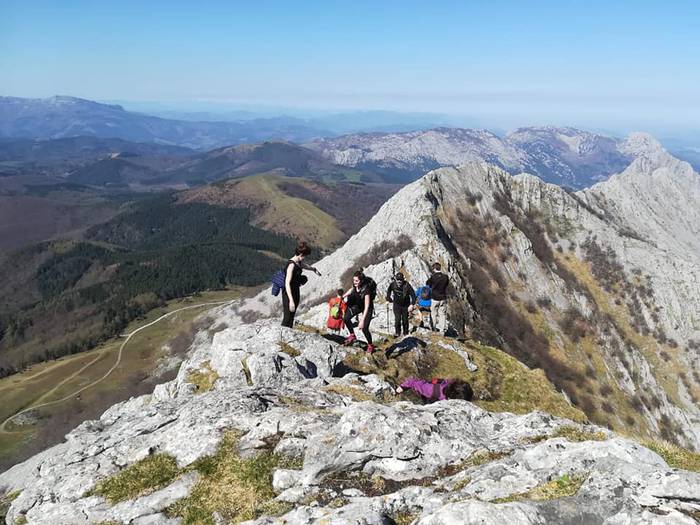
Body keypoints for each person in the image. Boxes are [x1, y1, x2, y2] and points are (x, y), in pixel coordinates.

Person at [281, 241, 321, 328]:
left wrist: (314, 269)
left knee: (292, 316)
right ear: (301, 255)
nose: (305, 258)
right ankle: (282, 333)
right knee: (287, 317)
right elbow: (287, 283)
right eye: (305, 256)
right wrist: (291, 300)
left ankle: (288, 332)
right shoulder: (291, 265)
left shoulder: (298, 262)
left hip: (296, 290)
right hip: (288, 293)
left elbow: (305, 266)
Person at [343, 271, 377, 353]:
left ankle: (370, 345)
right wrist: (343, 296)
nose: (354, 282)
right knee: (346, 318)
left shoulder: (366, 290)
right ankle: (352, 335)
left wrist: (362, 320)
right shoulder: (355, 286)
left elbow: (367, 306)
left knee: (364, 328)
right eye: (354, 280)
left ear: (361, 281)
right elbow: (352, 290)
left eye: (356, 281)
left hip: (367, 308)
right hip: (358, 305)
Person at [395, 377, 473, 402]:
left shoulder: (447, 385)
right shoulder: (432, 390)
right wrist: (402, 387)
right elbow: (413, 382)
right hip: (427, 397)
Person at [386, 272, 416, 337]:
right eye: (398, 280)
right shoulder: (393, 284)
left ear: (403, 279)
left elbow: (413, 295)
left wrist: (412, 304)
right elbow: (389, 291)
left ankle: (405, 333)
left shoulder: (407, 285)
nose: (399, 281)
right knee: (397, 319)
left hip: (405, 305)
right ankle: (397, 333)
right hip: (396, 305)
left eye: (400, 280)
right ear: (396, 279)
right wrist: (388, 299)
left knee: (405, 320)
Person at [427, 262, 449, 334]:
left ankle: (434, 329)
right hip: (443, 298)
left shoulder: (433, 277)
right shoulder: (445, 277)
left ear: (434, 269)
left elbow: (428, 284)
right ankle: (442, 331)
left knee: (433, 313)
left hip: (434, 298)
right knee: (442, 314)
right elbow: (446, 284)